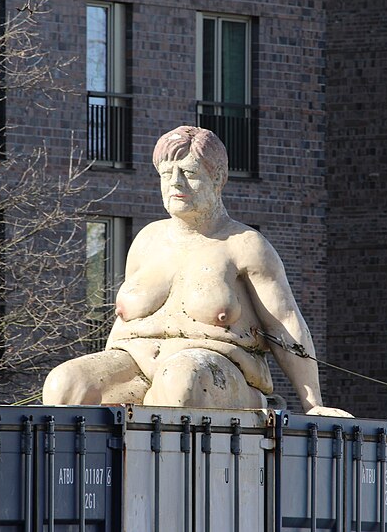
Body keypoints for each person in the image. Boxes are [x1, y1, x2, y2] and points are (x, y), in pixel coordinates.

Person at [42, 126, 350, 416]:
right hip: (137, 363)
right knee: (65, 383)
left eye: (189, 173)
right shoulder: (147, 240)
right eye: (166, 174)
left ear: (218, 178)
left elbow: (285, 323)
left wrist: (313, 404)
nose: (175, 183)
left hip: (214, 371)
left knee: (180, 381)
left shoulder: (244, 244)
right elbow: (121, 324)